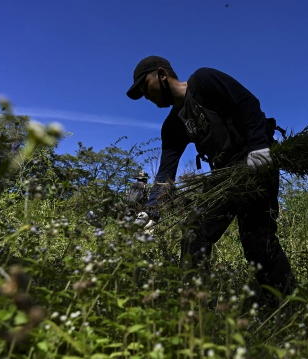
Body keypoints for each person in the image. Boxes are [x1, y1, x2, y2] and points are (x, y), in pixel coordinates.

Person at [126, 56, 294, 304]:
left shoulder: (203, 81)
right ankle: (197, 309)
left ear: (161, 74)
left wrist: (259, 145)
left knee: (258, 243)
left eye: (144, 86)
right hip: (223, 176)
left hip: (255, 165)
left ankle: (288, 306)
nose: (145, 96)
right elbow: (165, 175)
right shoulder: (172, 126)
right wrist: (151, 210)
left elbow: (247, 102)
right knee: (194, 231)